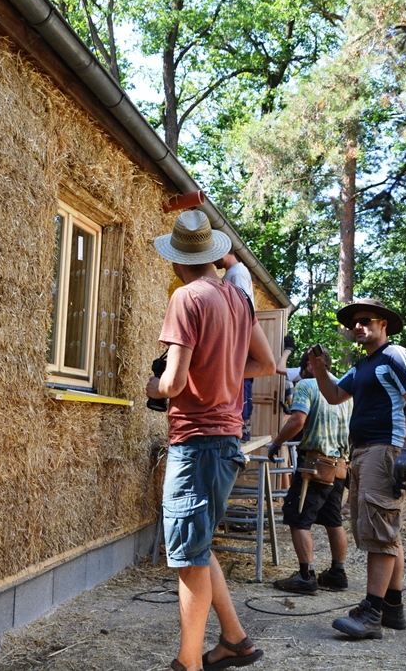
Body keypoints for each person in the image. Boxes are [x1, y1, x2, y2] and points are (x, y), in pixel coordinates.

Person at [146, 210, 275, 671]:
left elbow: (174, 383)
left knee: (187, 557)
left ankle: (188, 664)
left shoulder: (186, 297)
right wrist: (219, 371)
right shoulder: (237, 298)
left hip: (196, 441)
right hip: (225, 440)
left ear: (179, 259)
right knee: (200, 549)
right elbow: (267, 364)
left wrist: (153, 388)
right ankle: (236, 641)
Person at [307, 298, 406, 639]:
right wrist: (318, 367)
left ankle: (371, 613)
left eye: (365, 320)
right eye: (353, 323)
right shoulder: (362, 367)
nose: (357, 326)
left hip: (385, 449)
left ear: (383, 324)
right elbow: (333, 395)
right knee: (383, 527)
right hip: (361, 453)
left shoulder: (395, 355)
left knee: (379, 529)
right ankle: (392, 608)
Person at [267, 348, 352, 594]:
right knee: (333, 519)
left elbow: (297, 421)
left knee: (298, 518)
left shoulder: (307, 385)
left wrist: (277, 442)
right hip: (338, 466)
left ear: (309, 366)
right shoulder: (345, 390)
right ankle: (338, 573)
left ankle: (306, 575)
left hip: (314, 466)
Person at [215, 249, 255, 440]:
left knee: (241, 381)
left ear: (226, 251)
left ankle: (242, 429)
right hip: (237, 340)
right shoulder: (232, 273)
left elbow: (242, 309)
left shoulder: (237, 273)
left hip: (238, 340)